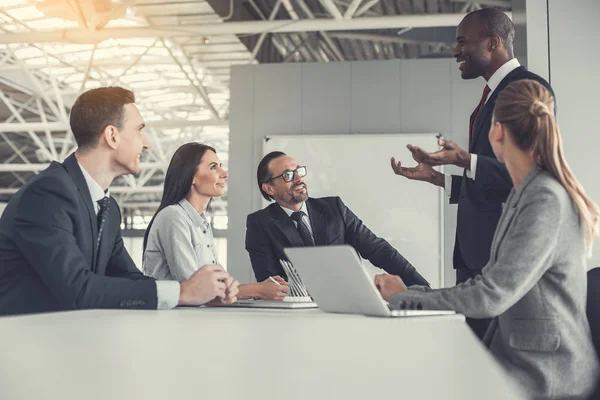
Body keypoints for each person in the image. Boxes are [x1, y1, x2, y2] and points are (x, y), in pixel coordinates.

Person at [377, 79, 600, 399]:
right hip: (520, 361)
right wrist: (413, 292)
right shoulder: (526, 193)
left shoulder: (545, 199)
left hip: (548, 378)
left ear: (497, 132)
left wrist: (404, 298)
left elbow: (490, 295)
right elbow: (489, 282)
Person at [0, 87, 238, 316]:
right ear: (112, 135)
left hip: (65, 338)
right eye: (139, 130)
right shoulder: (47, 195)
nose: (146, 143)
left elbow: (126, 275)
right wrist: (183, 291)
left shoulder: (108, 207)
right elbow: (78, 289)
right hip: (24, 343)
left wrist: (202, 292)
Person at [390, 8, 553, 338]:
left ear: (493, 42)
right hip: (476, 254)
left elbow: (528, 176)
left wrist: (465, 160)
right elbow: (497, 181)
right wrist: (442, 179)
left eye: (462, 41)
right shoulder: (493, 95)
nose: (455, 51)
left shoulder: (526, 91)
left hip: (500, 256)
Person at [246, 151, 429, 286]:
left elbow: (378, 250)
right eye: (288, 175)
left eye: (299, 171)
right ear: (269, 188)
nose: (298, 178)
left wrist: (421, 286)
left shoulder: (334, 208)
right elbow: (269, 282)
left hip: (348, 307)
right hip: (297, 314)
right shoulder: (260, 223)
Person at [143, 143, 289, 301]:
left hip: (197, 319)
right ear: (191, 175)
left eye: (221, 166)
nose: (224, 173)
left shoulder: (201, 223)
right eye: (214, 167)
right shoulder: (173, 218)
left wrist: (259, 288)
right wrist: (258, 289)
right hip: (173, 321)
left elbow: (220, 285)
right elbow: (197, 289)